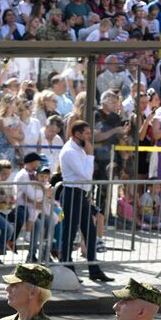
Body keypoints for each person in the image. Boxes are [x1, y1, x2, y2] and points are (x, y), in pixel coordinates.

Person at [56, 119, 114, 282]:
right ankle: (67, 268)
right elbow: (86, 175)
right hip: (71, 193)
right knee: (70, 232)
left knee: (90, 231)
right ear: (77, 134)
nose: (89, 137)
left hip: (81, 194)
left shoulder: (79, 148)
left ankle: (94, 269)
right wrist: (90, 155)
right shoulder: (70, 151)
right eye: (87, 134)